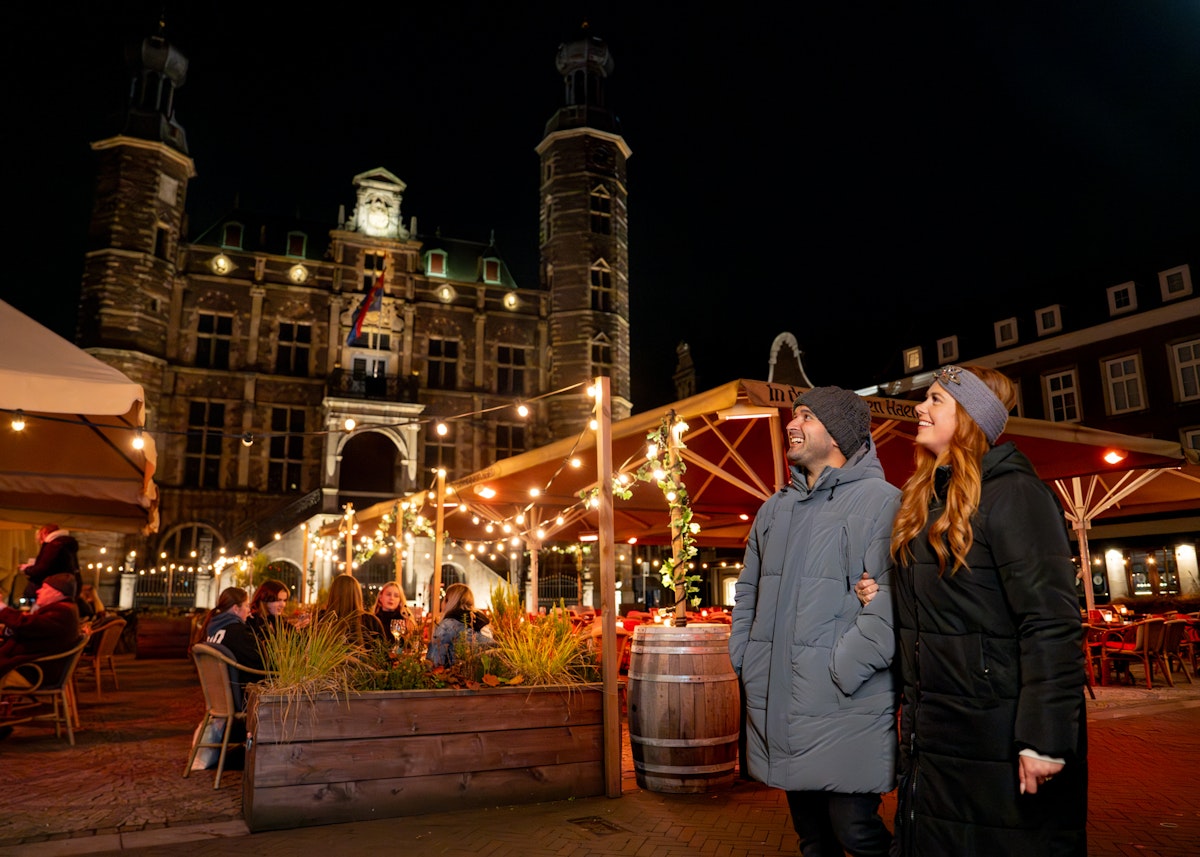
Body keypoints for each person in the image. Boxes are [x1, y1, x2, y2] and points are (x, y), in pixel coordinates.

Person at [857, 364, 1087, 855]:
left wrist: (1043, 739)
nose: (920, 407)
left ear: (969, 416)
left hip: (996, 729)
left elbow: (1051, 621)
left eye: (936, 399)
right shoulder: (924, 501)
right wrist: (886, 597)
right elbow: (947, 609)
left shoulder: (1015, 494)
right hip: (935, 726)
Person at [728, 386, 901, 857]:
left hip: (846, 700)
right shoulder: (774, 508)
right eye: (793, 414)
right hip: (783, 696)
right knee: (812, 839)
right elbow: (747, 589)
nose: (792, 424)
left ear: (840, 434)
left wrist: (841, 667)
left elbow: (891, 603)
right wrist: (747, 657)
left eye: (806, 416)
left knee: (857, 833)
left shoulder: (883, 502)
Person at [0, 573, 83, 690]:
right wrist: (9, 630)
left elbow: (27, 625)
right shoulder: (64, 609)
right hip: (30, 666)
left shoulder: (62, 612)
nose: (38, 591)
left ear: (57, 593)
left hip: (32, 671)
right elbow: (33, 630)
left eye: (44, 588)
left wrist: (2, 608)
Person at [202, 586, 266, 706]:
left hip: (222, 697)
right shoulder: (238, 633)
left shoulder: (213, 628)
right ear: (236, 609)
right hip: (242, 698)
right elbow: (261, 663)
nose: (249, 610)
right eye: (247, 606)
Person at [427, 583, 497, 668]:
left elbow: (434, 661)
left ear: (448, 601)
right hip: (485, 676)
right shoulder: (484, 623)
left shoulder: (447, 625)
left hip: (458, 677)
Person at [315, 574, 388, 649]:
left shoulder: (321, 619)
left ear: (332, 593)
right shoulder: (370, 621)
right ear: (357, 595)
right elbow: (383, 655)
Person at [19, 524, 83, 606]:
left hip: (54, 590)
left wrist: (27, 569)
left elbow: (42, 569)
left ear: (44, 532)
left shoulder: (54, 545)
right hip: (66, 589)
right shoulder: (66, 545)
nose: (39, 540)